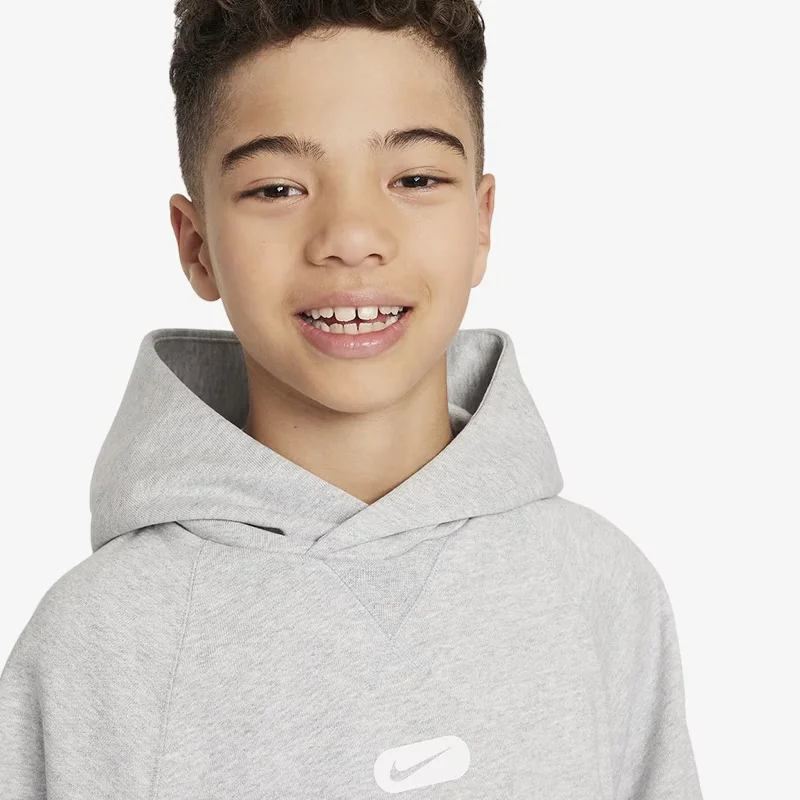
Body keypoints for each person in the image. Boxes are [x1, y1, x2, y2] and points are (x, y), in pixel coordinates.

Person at [0, 1, 704, 797]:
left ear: (481, 223)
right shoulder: (98, 642)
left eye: (415, 179)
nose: (351, 234)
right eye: (277, 187)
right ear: (197, 247)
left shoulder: (599, 586)